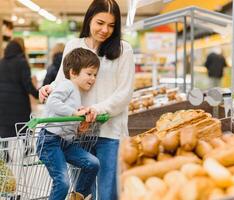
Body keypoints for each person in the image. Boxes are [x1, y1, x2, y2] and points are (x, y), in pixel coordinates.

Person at [39, 0, 135, 199]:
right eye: (100, 23)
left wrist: (95, 110)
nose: (105, 30)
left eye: (111, 25)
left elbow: (124, 93)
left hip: (110, 132)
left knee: (107, 194)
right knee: (83, 193)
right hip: (78, 132)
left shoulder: (124, 50)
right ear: (89, 18)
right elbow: (62, 81)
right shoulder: (74, 45)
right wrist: (48, 89)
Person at [37, 48, 101, 200]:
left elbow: (66, 115)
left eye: (95, 75)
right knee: (62, 182)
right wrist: (74, 113)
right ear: (73, 73)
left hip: (65, 143)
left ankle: (77, 196)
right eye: (89, 74)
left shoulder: (76, 91)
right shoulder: (67, 85)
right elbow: (52, 102)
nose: (93, 78)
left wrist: (79, 123)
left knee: (93, 163)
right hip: (50, 141)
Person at [0, 38, 39, 161]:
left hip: (3, 100)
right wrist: (38, 94)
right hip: (19, 101)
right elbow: (27, 84)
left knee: (4, 125)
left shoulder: (1, 62)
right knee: (23, 124)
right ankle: (27, 147)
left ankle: (5, 153)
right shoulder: (22, 62)